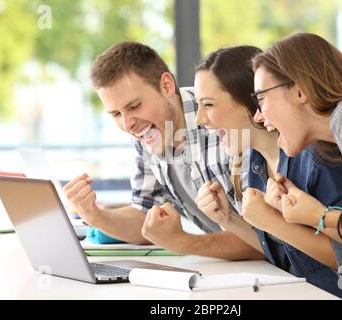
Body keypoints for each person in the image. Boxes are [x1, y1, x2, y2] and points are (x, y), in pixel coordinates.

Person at [194, 45, 342, 299]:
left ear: (247, 103)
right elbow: (285, 254)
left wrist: (281, 222)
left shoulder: (320, 157)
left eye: (208, 104)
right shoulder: (255, 165)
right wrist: (229, 219)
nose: (199, 119)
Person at [64, 42, 263, 260]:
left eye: (134, 106)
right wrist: (94, 215)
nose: (128, 123)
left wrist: (184, 242)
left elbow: (265, 241)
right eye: (115, 114)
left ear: (167, 86)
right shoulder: (147, 132)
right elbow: (144, 216)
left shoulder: (222, 121)